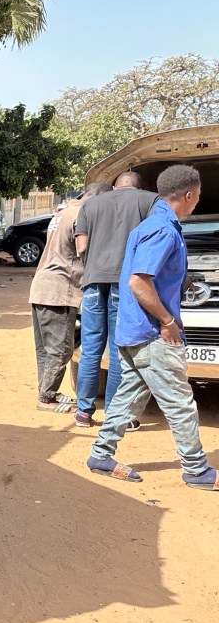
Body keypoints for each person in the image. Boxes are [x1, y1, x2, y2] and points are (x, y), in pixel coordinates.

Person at [86, 165, 216, 489]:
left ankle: (101, 455)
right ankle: (197, 471)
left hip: (133, 331)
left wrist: (181, 282)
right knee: (180, 402)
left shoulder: (151, 225)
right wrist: (168, 321)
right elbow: (138, 282)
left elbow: (148, 274)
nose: (197, 202)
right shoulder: (162, 229)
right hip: (152, 334)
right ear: (188, 196)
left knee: (128, 398)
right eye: (197, 196)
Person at [72, 171, 158, 429]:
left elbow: (82, 248)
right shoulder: (151, 201)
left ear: (114, 186)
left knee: (90, 349)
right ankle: (114, 413)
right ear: (139, 186)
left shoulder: (89, 205)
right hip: (126, 282)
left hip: (93, 282)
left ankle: (83, 413)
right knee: (120, 350)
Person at [30, 182, 112, 413]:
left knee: (45, 348)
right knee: (62, 347)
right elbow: (83, 249)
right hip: (60, 288)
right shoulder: (83, 214)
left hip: (42, 285)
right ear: (96, 198)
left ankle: (47, 392)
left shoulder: (65, 211)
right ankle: (46, 398)